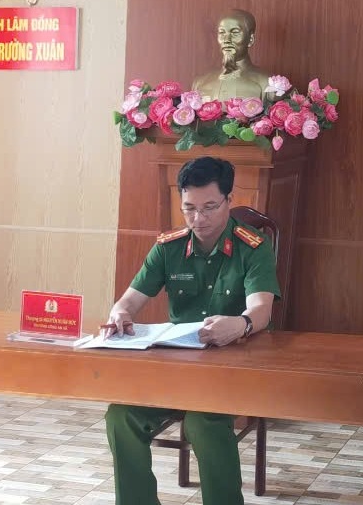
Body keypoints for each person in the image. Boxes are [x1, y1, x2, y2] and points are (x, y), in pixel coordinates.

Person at [103, 156, 279, 505]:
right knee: (121, 416)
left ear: (229, 200)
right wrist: (120, 313)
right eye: (189, 209)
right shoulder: (169, 247)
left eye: (210, 207)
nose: (199, 218)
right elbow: (129, 301)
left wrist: (240, 324)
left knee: (203, 422)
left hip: (232, 369)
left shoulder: (252, 246)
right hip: (178, 370)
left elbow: (261, 310)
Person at [190, 9, 273, 100]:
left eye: (235, 33)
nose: (226, 40)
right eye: (222, 32)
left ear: (250, 39)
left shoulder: (268, 83)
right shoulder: (200, 83)